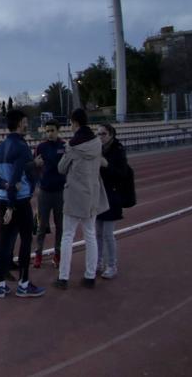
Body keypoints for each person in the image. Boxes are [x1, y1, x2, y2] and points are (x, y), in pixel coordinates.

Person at [0, 109, 44, 298]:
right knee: (26, 240)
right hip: (17, 202)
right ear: (20, 123)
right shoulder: (21, 147)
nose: (27, 125)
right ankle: (23, 284)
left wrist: (6, 187)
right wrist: (36, 167)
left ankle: (0, 285)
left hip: (2, 198)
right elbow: (18, 178)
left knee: (3, 241)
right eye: (26, 122)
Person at [55, 108, 110, 290]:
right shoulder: (97, 143)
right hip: (92, 194)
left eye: (71, 123)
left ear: (75, 123)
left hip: (74, 195)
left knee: (67, 236)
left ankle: (63, 278)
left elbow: (61, 168)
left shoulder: (73, 145)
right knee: (90, 235)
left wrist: (66, 153)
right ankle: (90, 275)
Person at [33, 121, 68, 269]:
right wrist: (36, 185)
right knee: (41, 226)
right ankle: (38, 255)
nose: (49, 133)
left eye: (52, 130)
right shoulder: (41, 147)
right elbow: (34, 166)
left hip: (60, 191)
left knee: (60, 226)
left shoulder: (64, 146)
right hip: (45, 192)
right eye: (47, 131)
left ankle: (58, 254)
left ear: (58, 130)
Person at [95, 123, 128, 280]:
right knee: (97, 233)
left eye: (103, 134)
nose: (100, 137)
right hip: (98, 195)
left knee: (108, 234)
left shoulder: (118, 150)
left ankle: (112, 265)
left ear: (111, 135)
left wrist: (106, 164)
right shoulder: (97, 149)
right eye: (98, 134)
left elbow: (122, 173)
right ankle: (98, 262)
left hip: (112, 196)